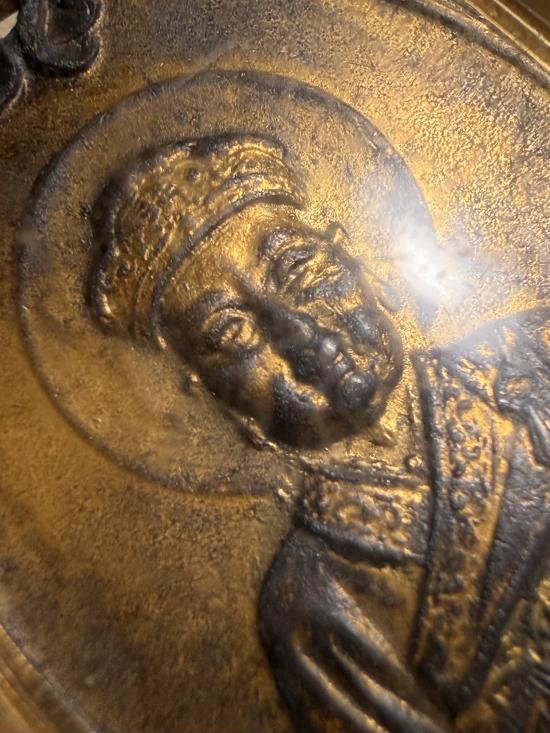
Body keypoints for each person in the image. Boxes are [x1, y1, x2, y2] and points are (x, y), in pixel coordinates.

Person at [89, 134, 550, 733]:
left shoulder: (529, 357)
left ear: (356, 261)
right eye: (231, 332)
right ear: (214, 396)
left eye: (299, 269)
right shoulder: (313, 604)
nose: (302, 333)